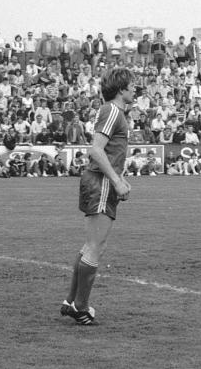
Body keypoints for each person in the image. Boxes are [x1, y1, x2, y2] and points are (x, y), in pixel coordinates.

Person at [60, 68, 134, 325]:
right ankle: (81, 307)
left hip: (102, 182)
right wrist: (115, 180)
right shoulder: (113, 111)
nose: (134, 89)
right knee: (95, 247)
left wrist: (119, 179)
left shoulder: (114, 112)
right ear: (122, 88)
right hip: (101, 182)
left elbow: (106, 153)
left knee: (90, 245)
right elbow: (95, 150)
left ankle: (71, 301)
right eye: (132, 85)